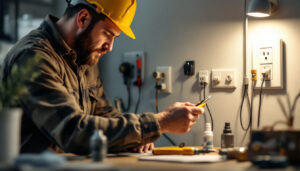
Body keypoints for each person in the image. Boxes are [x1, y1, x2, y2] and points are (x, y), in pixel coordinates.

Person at [1, 0, 204, 155]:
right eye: (108, 34)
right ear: (83, 19)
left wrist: (134, 138)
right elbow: (74, 131)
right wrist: (160, 122)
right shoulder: (34, 58)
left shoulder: (85, 58)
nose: (110, 47)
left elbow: (104, 115)